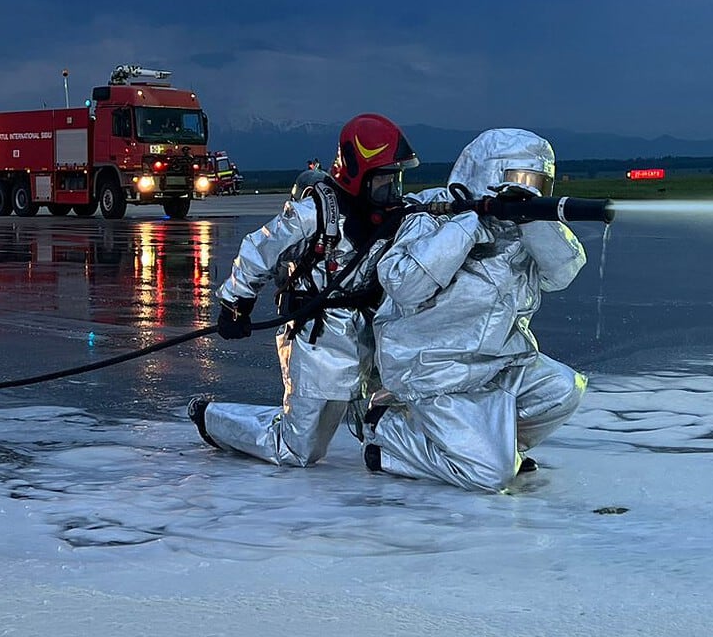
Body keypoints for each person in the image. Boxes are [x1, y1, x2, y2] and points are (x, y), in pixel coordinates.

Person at [359, 128, 587, 493]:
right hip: (435, 370)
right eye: (516, 180)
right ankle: (389, 437)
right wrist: (466, 225)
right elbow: (404, 284)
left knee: (563, 389)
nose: (526, 189)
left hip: (503, 361)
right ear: (486, 174)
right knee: (491, 476)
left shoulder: (526, 228)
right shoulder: (433, 214)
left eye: (536, 182)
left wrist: (534, 220)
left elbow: (563, 272)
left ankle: (496, 447)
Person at [188, 114, 417, 467]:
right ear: (358, 177)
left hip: (373, 330)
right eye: (383, 183)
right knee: (297, 448)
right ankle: (211, 418)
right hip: (319, 338)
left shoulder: (396, 216)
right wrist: (236, 303)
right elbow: (258, 250)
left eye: (396, 182)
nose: (392, 193)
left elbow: (437, 208)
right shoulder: (314, 215)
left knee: (386, 418)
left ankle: (400, 452)